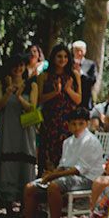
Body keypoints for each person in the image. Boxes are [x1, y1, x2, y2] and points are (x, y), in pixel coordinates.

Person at [6, 106, 103, 218]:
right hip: (68, 176)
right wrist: (51, 173)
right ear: (68, 125)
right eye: (73, 124)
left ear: (87, 123)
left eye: (81, 123)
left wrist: (54, 176)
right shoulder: (68, 142)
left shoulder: (90, 141)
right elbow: (64, 164)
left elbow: (78, 170)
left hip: (88, 179)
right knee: (30, 188)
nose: (77, 127)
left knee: (54, 186)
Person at [0, 54, 36, 208]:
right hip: (8, 128)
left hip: (25, 129)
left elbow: (32, 107)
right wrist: (8, 92)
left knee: (24, 160)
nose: (18, 69)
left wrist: (20, 98)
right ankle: (7, 201)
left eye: (21, 65)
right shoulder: (2, 84)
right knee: (7, 160)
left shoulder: (31, 85)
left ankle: (26, 201)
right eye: (15, 66)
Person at [36, 44, 82, 172]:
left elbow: (78, 100)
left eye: (66, 56)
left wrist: (67, 90)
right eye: (59, 56)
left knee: (66, 152)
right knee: (47, 152)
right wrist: (55, 93)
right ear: (53, 58)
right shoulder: (44, 75)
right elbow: (39, 99)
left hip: (68, 120)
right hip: (50, 119)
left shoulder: (74, 75)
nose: (63, 59)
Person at [70, 40, 97, 111]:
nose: (79, 53)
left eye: (81, 51)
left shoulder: (91, 64)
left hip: (86, 101)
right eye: (77, 51)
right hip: (71, 100)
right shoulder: (68, 63)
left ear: (85, 51)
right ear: (73, 51)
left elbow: (93, 80)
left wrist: (81, 73)